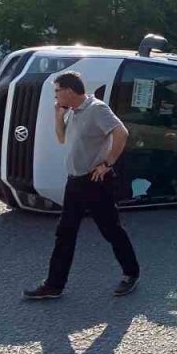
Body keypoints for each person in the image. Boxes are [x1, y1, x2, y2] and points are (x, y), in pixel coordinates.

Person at [24, 71, 141, 300]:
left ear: (69, 90)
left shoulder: (96, 109)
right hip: (75, 181)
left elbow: (121, 133)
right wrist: (58, 116)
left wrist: (107, 163)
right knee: (65, 232)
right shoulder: (73, 112)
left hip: (95, 182)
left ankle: (131, 273)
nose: (55, 95)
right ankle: (54, 285)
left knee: (111, 230)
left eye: (57, 91)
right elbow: (61, 138)